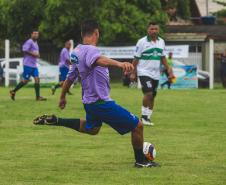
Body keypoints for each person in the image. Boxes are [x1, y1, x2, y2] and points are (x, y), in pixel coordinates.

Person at [33, 19, 160, 168]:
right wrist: (120, 64)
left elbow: (70, 78)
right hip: (101, 103)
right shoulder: (92, 51)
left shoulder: (77, 51)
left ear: (82, 34)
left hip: (89, 103)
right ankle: (141, 161)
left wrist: (62, 96)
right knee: (137, 125)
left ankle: (57, 120)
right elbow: (99, 60)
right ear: (96, 33)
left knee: (92, 129)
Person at [130, 22, 173, 126]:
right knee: (148, 93)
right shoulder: (141, 42)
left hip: (156, 73)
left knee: (153, 95)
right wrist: (133, 72)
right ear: (147, 30)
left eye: (156, 29)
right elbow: (136, 58)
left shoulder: (161, 42)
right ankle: (143, 117)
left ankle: (148, 116)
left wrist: (169, 69)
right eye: (152, 29)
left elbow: (163, 57)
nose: (154, 31)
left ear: (158, 30)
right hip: (144, 72)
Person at [10, 30, 46, 101]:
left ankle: (38, 97)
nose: (36, 35)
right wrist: (34, 54)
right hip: (28, 64)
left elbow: (35, 52)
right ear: (31, 34)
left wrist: (38, 54)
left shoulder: (36, 43)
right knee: (25, 81)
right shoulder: (29, 41)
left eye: (37, 34)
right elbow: (25, 50)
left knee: (37, 79)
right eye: (34, 34)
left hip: (34, 65)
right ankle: (13, 91)